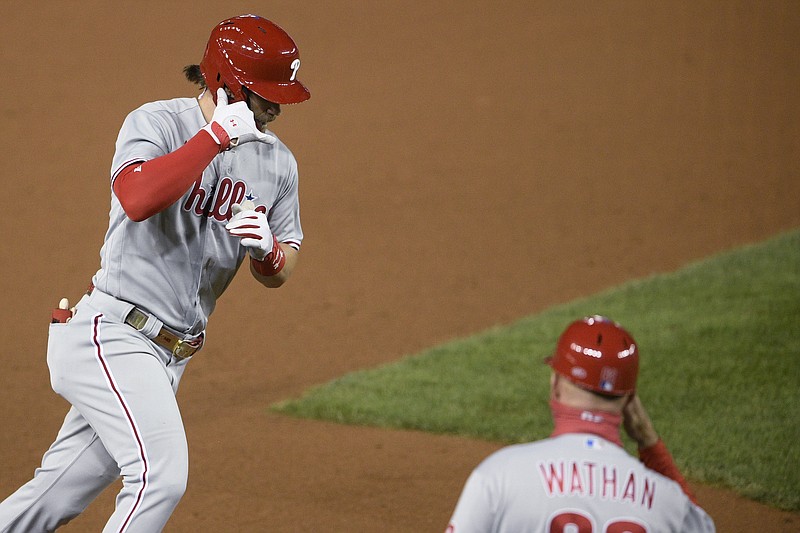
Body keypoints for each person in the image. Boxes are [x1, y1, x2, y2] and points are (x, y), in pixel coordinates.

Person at [0, 14, 310, 532]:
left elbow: (285, 264)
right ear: (227, 85)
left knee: (51, 498)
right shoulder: (156, 124)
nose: (277, 107)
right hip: (113, 334)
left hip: (170, 358)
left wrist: (270, 254)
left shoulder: (277, 163)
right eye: (264, 94)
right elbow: (138, 197)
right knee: (160, 476)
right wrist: (213, 136)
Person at [446, 315, 716, 533]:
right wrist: (649, 443)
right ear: (630, 400)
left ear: (555, 384)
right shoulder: (667, 500)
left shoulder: (500, 475)